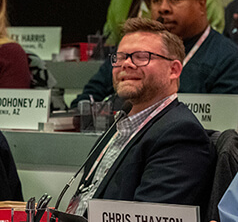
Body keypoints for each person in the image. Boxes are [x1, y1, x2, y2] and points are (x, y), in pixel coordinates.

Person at [66, 18, 213, 217]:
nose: (126, 64)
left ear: (174, 70)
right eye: (120, 57)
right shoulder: (121, 123)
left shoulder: (181, 135)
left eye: (141, 56)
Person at [76, 0, 238, 104]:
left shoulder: (228, 58)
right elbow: (88, 98)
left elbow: (224, 123)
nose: (163, 8)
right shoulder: (132, 49)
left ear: (201, 5)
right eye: (156, 0)